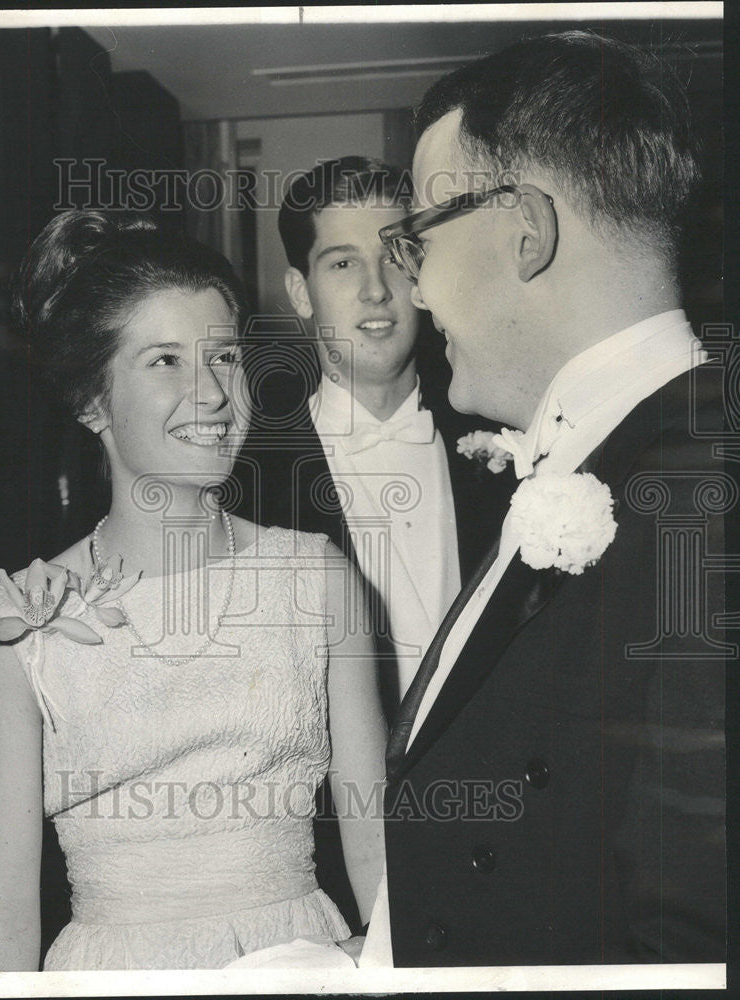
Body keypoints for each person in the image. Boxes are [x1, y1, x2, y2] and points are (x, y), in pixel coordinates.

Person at [365, 31, 728, 966]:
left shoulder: (708, 498)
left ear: (525, 230)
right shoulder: (597, 459)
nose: (414, 291)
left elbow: (691, 940)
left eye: (418, 241)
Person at [0, 211, 386, 971]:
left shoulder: (316, 577)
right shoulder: (16, 623)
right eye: (163, 361)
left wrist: (380, 964)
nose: (212, 394)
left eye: (224, 358)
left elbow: (377, 836)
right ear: (93, 401)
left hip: (301, 962)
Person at [231, 157, 512, 932]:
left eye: (395, 254)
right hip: (333, 861)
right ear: (300, 292)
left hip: (509, 828)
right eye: (342, 263)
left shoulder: (522, 446)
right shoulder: (245, 479)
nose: (375, 290)